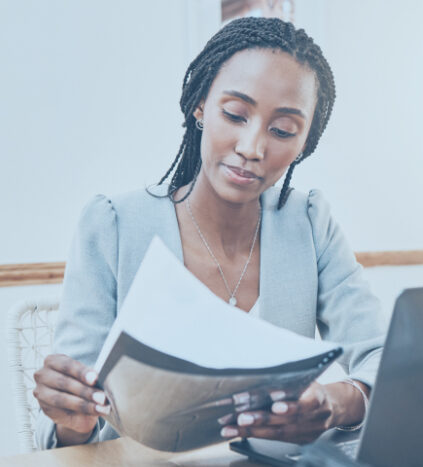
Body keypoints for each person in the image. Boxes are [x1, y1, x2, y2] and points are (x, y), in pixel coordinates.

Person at [33, 17, 385, 449]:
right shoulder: (113, 226)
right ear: (200, 105)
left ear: (305, 143)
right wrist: (73, 418)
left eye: (282, 131)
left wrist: (339, 401)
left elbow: (385, 359)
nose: (251, 148)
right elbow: (69, 430)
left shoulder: (309, 223)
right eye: (235, 114)